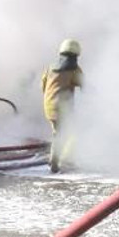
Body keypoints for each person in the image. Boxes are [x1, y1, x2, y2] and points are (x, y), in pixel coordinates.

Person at [41, 39, 83, 173]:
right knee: (68, 133)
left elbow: (43, 84)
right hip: (62, 106)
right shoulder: (74, 69)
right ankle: (56, 164)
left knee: (58, 131)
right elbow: (84, 84)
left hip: (48, 105)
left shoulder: (50, 67)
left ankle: (57, 160)